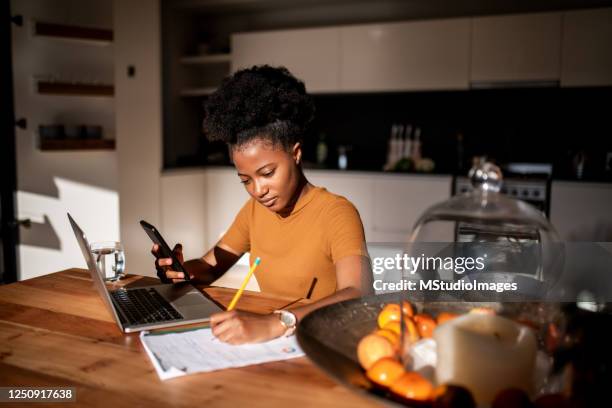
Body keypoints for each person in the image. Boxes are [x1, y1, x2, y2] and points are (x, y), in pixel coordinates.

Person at [152, 65, 373, 344]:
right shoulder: (255, 212)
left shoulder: (337, 213)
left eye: (267, 173)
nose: (258, 190)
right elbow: (210, 267)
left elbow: (359, 293)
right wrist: (182, 271)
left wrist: (277, 322)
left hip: (324, 343)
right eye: (245, 180)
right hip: (276, 348)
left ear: (296, 153)